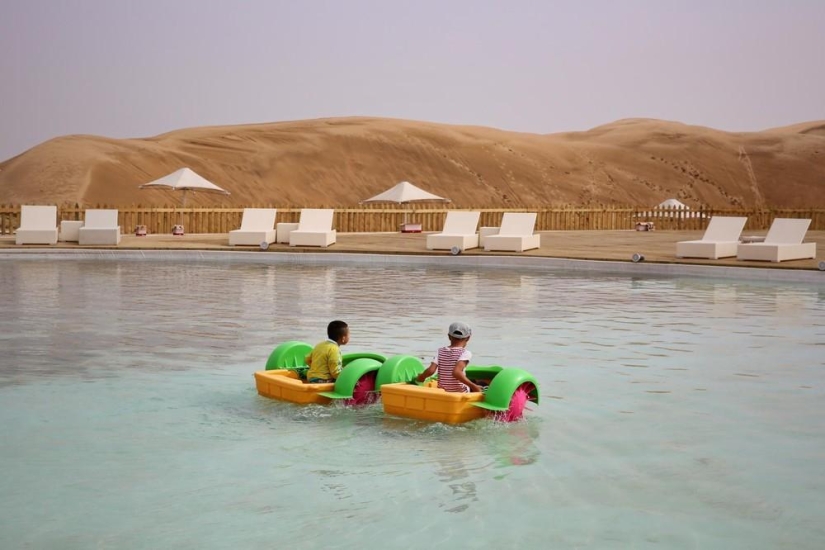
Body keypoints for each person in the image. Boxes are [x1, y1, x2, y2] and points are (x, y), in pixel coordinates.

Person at [415, 322, 482, 393]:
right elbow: (457, 373)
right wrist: (474, 387)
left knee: (472, 381)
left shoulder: (440, 351)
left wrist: (421, 378)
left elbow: (431, 370)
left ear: (449, 336)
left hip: (443, 391)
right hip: (461, 392)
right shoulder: (465, 353)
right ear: (468, 338)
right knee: (481, 384)